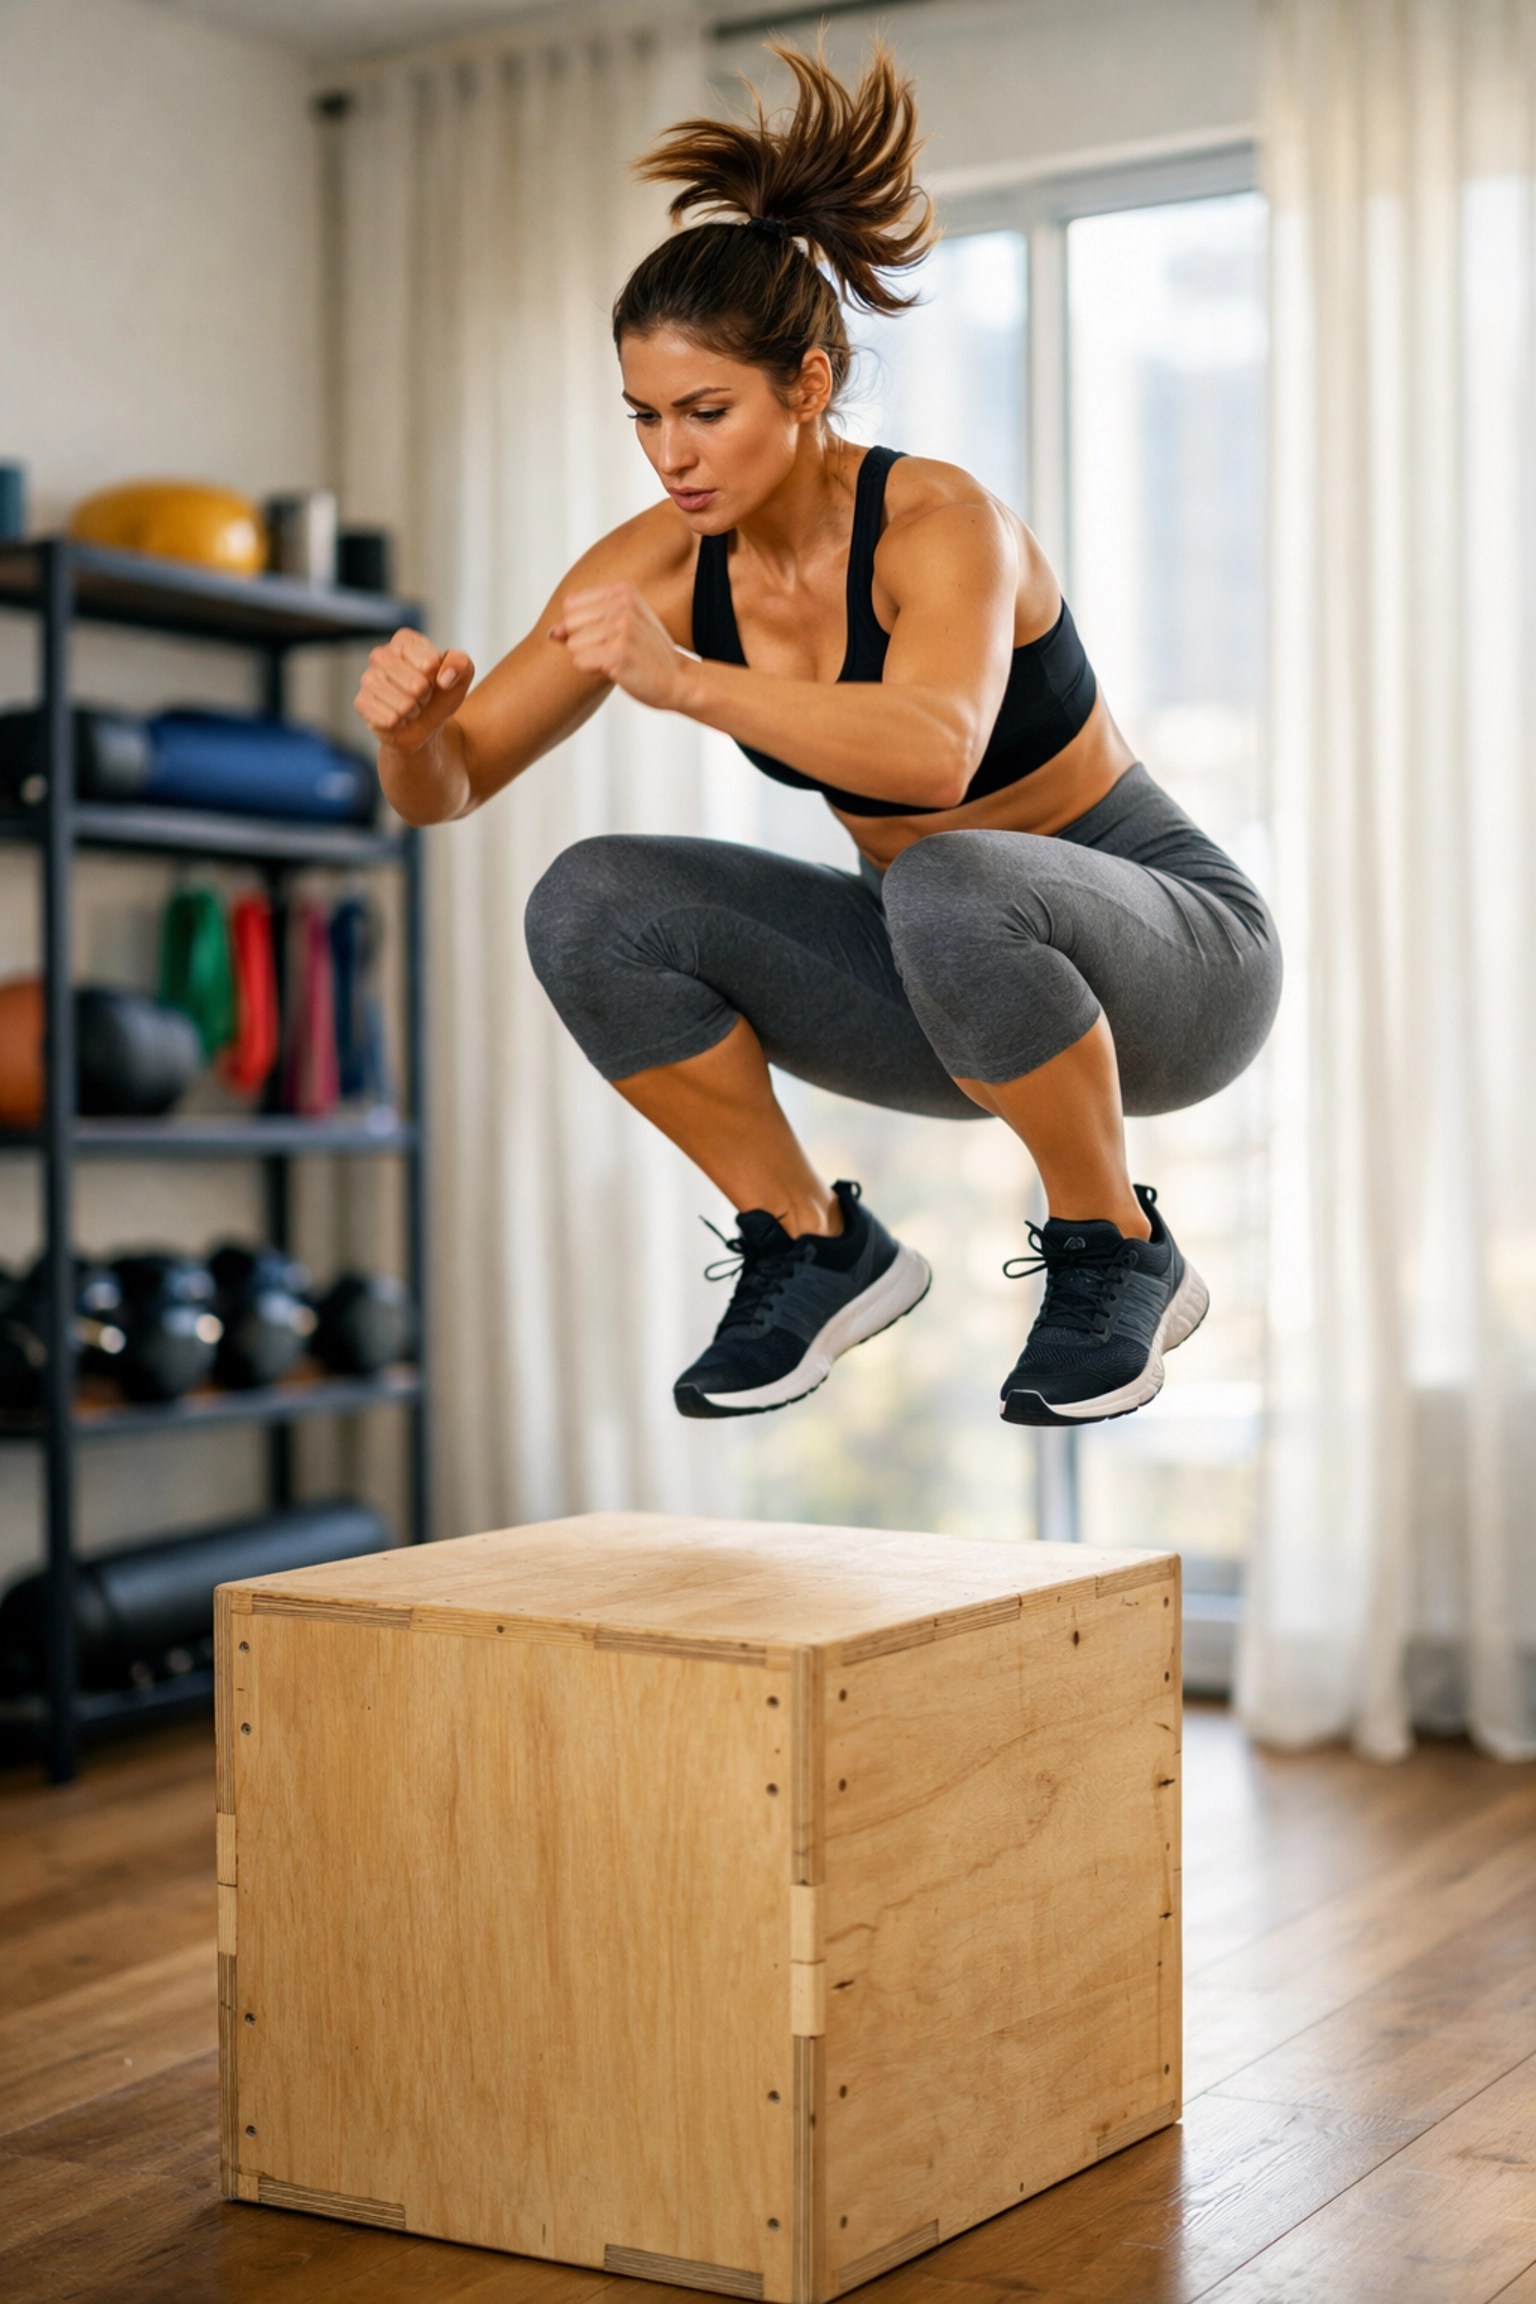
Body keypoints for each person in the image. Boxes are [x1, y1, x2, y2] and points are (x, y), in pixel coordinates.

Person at [353, 43, 1281, 1432]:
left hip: (1176, 964)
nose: (672, 455)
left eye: (706, 412)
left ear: (807, 381)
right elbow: (454, 785)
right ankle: (811, 1244)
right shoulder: (663, 564)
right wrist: (413, 735)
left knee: (954, 869)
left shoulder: (942, 524)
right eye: (646, 418)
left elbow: (930, 760)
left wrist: (681, 685)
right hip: (950, 983)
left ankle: (1120, 1248)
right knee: (593, 901)